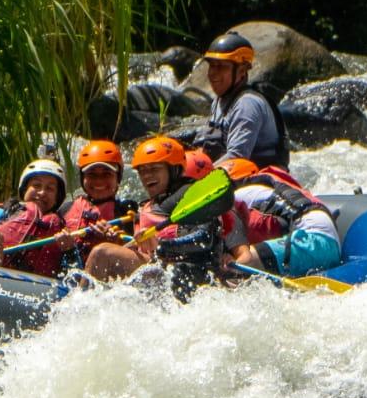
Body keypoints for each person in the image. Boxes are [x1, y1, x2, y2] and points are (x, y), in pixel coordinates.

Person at [83, 135, 191, 280]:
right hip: (152, 269)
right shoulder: (145, 207)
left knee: (102, 254)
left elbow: (203, 240)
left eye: (154, 169)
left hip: (178, 271)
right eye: (142, 171)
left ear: (173, 169)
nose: (147, 176)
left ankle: (76, 302)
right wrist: (117, 243)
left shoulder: (189, 197)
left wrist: (161, 246)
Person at [222, 162, 342, 278]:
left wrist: (233, 263)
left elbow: (245, 254)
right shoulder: (267, 191)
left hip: (313, 243)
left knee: (237, 267)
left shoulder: (239, 195)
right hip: (328, 246)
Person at [190, 31, 289, 169]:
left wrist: (199, 176)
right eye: (212, 65)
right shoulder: (219, 101)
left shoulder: (247, 104)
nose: (213, 73)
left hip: (261, 182)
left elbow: (237, 157)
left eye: (222, 66)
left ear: (242, 71)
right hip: (232, 178)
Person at [59, 140, 133, 265]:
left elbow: (135, 256)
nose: (99, 181)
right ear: (83, 179)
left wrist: (116, 244)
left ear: (118, 177)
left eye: (107, 174)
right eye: (92, 174)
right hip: (69, 272)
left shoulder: (128, 213)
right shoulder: (66, 209)